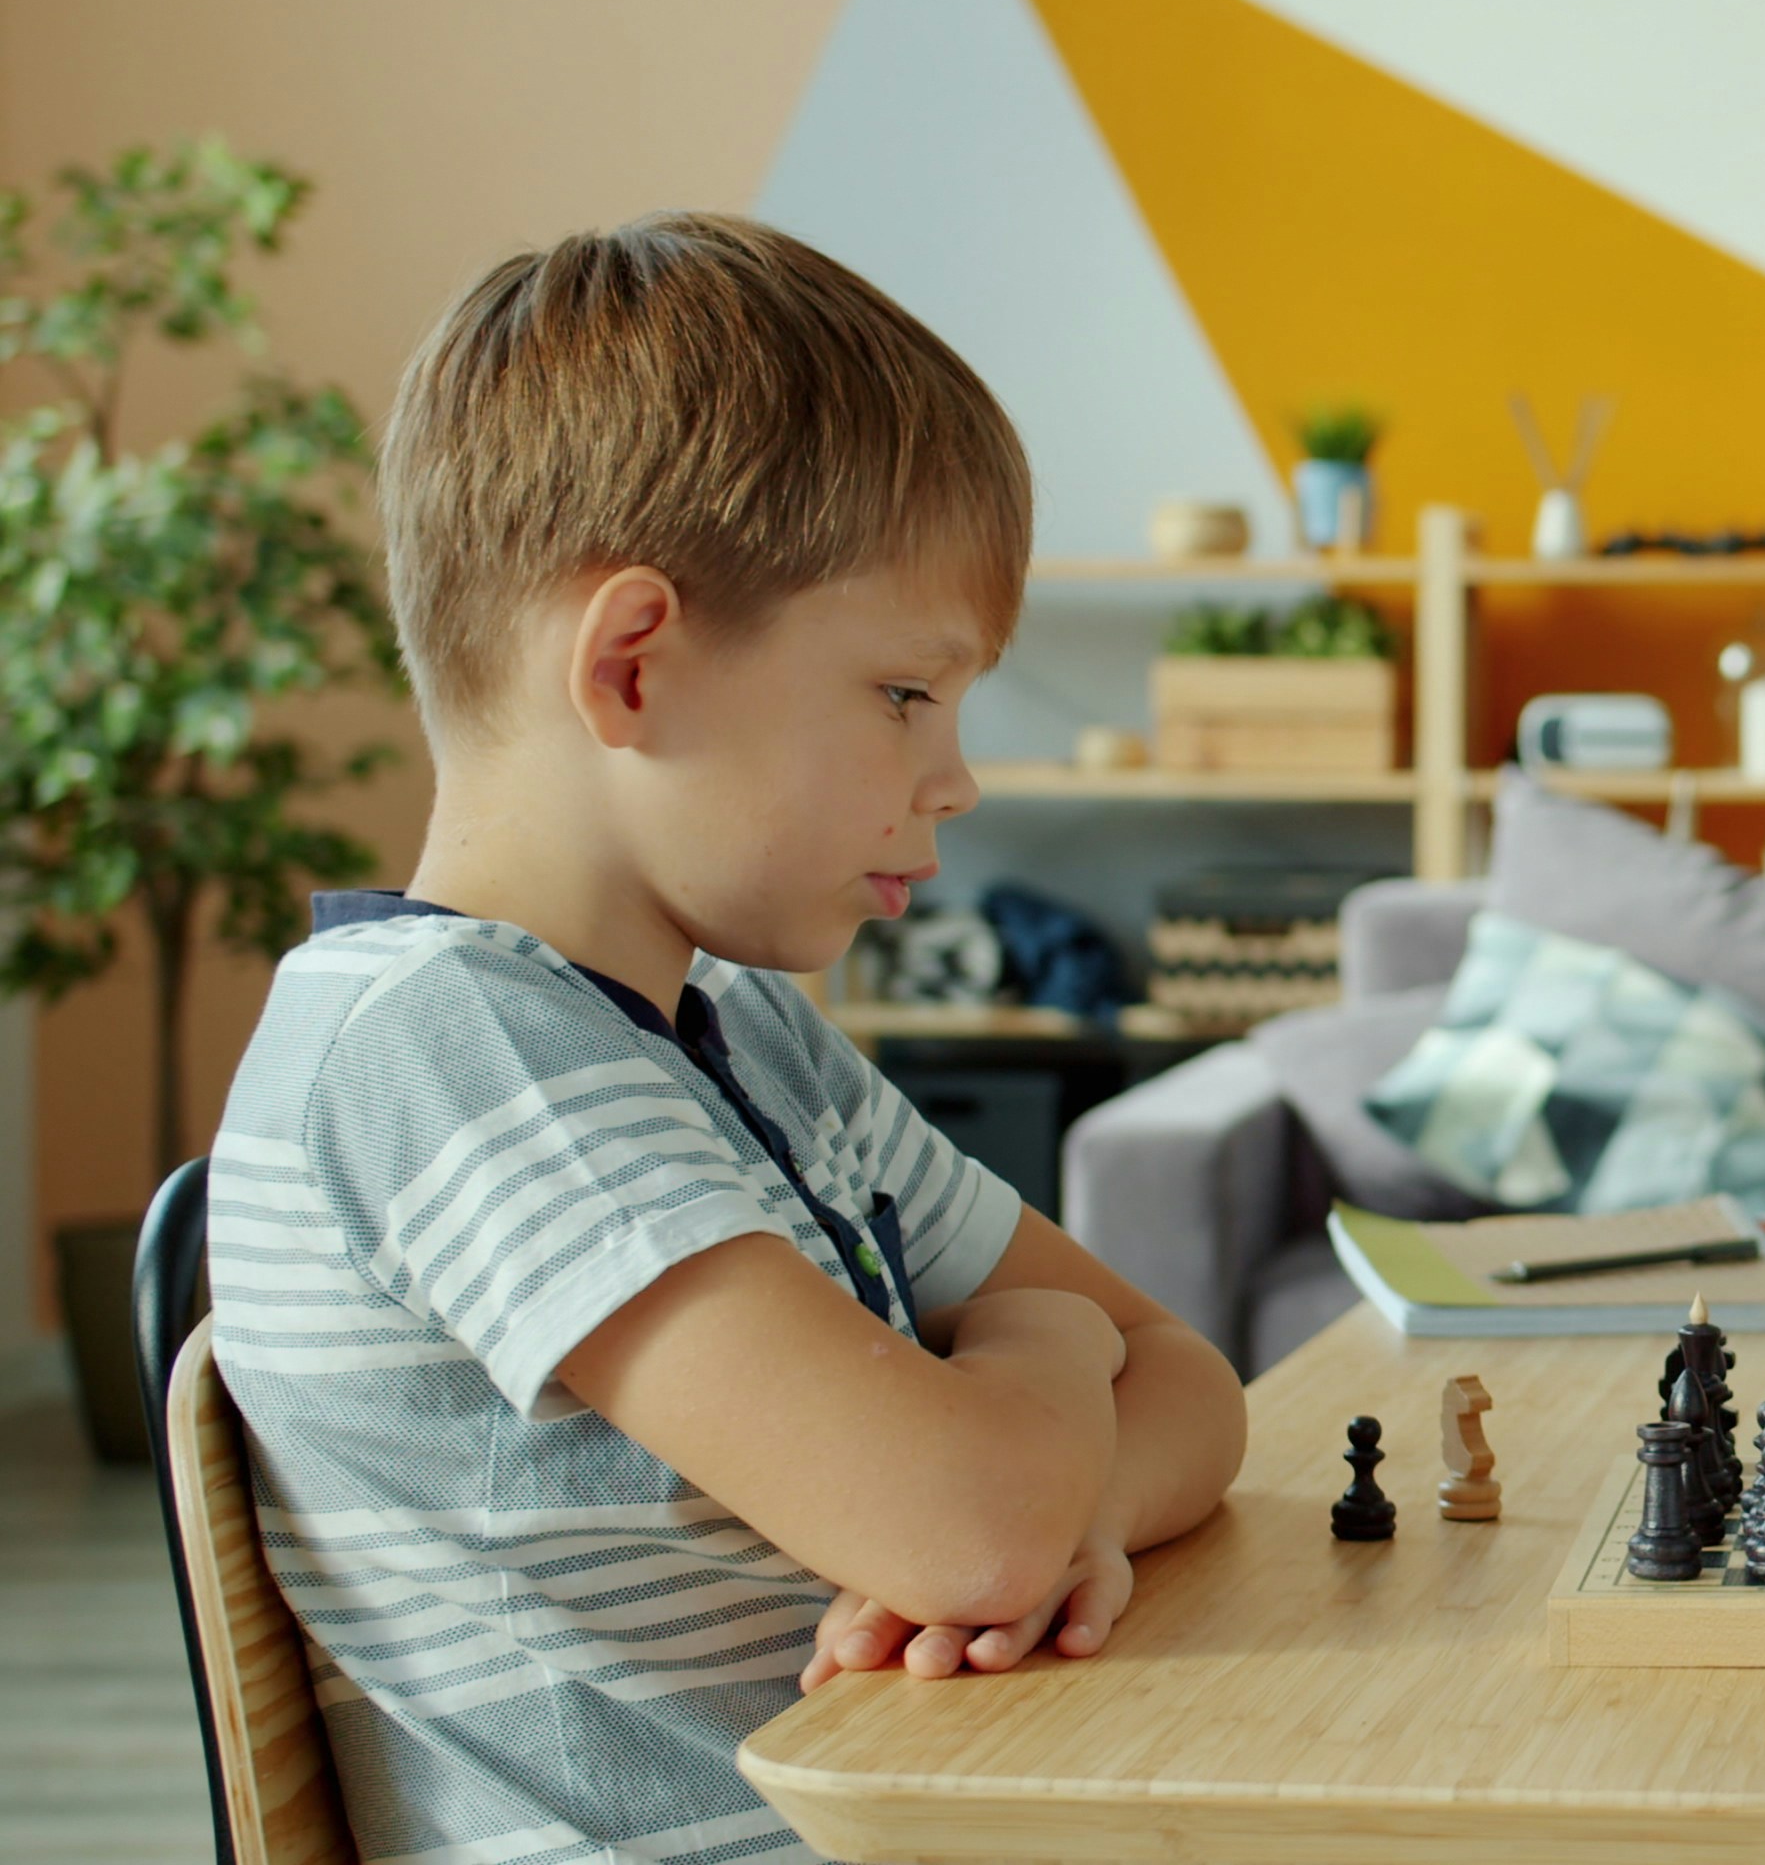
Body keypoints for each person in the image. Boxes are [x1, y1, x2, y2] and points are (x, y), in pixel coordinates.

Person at [205, 214, 1247, 1865]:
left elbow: (1188, 1381)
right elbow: (974, 1519)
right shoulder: (447, 1054)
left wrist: (1080, 1515)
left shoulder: (740, 1030)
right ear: (633, 666)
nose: (955, 778)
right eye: (908, 694)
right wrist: (1042, 1365)